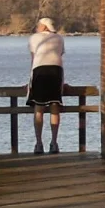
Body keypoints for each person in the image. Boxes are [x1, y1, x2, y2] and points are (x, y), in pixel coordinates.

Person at [28, 18, 65, 154]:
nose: (37, 27)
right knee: (54, 106)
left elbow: (33, 60)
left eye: (39, 25)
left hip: (40, 71)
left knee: (39, 107)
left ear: (44, 27)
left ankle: (39, 144)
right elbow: (60, 56)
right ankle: (54, 143)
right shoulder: (59, 39)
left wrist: (30, 81)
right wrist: (62, 83)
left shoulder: (34, 38)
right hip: (56, 71)